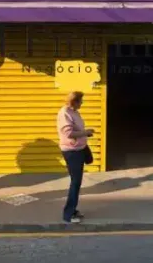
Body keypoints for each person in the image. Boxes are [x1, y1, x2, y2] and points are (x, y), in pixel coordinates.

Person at [57, 91, 94, 224]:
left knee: (88, 162)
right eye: (80, 101)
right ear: (74, 101)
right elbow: (69, 133)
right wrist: (86, 132)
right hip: (72, 151)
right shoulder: (65, 113)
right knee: (76, 182)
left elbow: (77, 130)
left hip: (80, 148)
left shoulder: (74, 112)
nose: (82, 103)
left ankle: (73, 210)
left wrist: (85, 133)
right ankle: (68, 214)